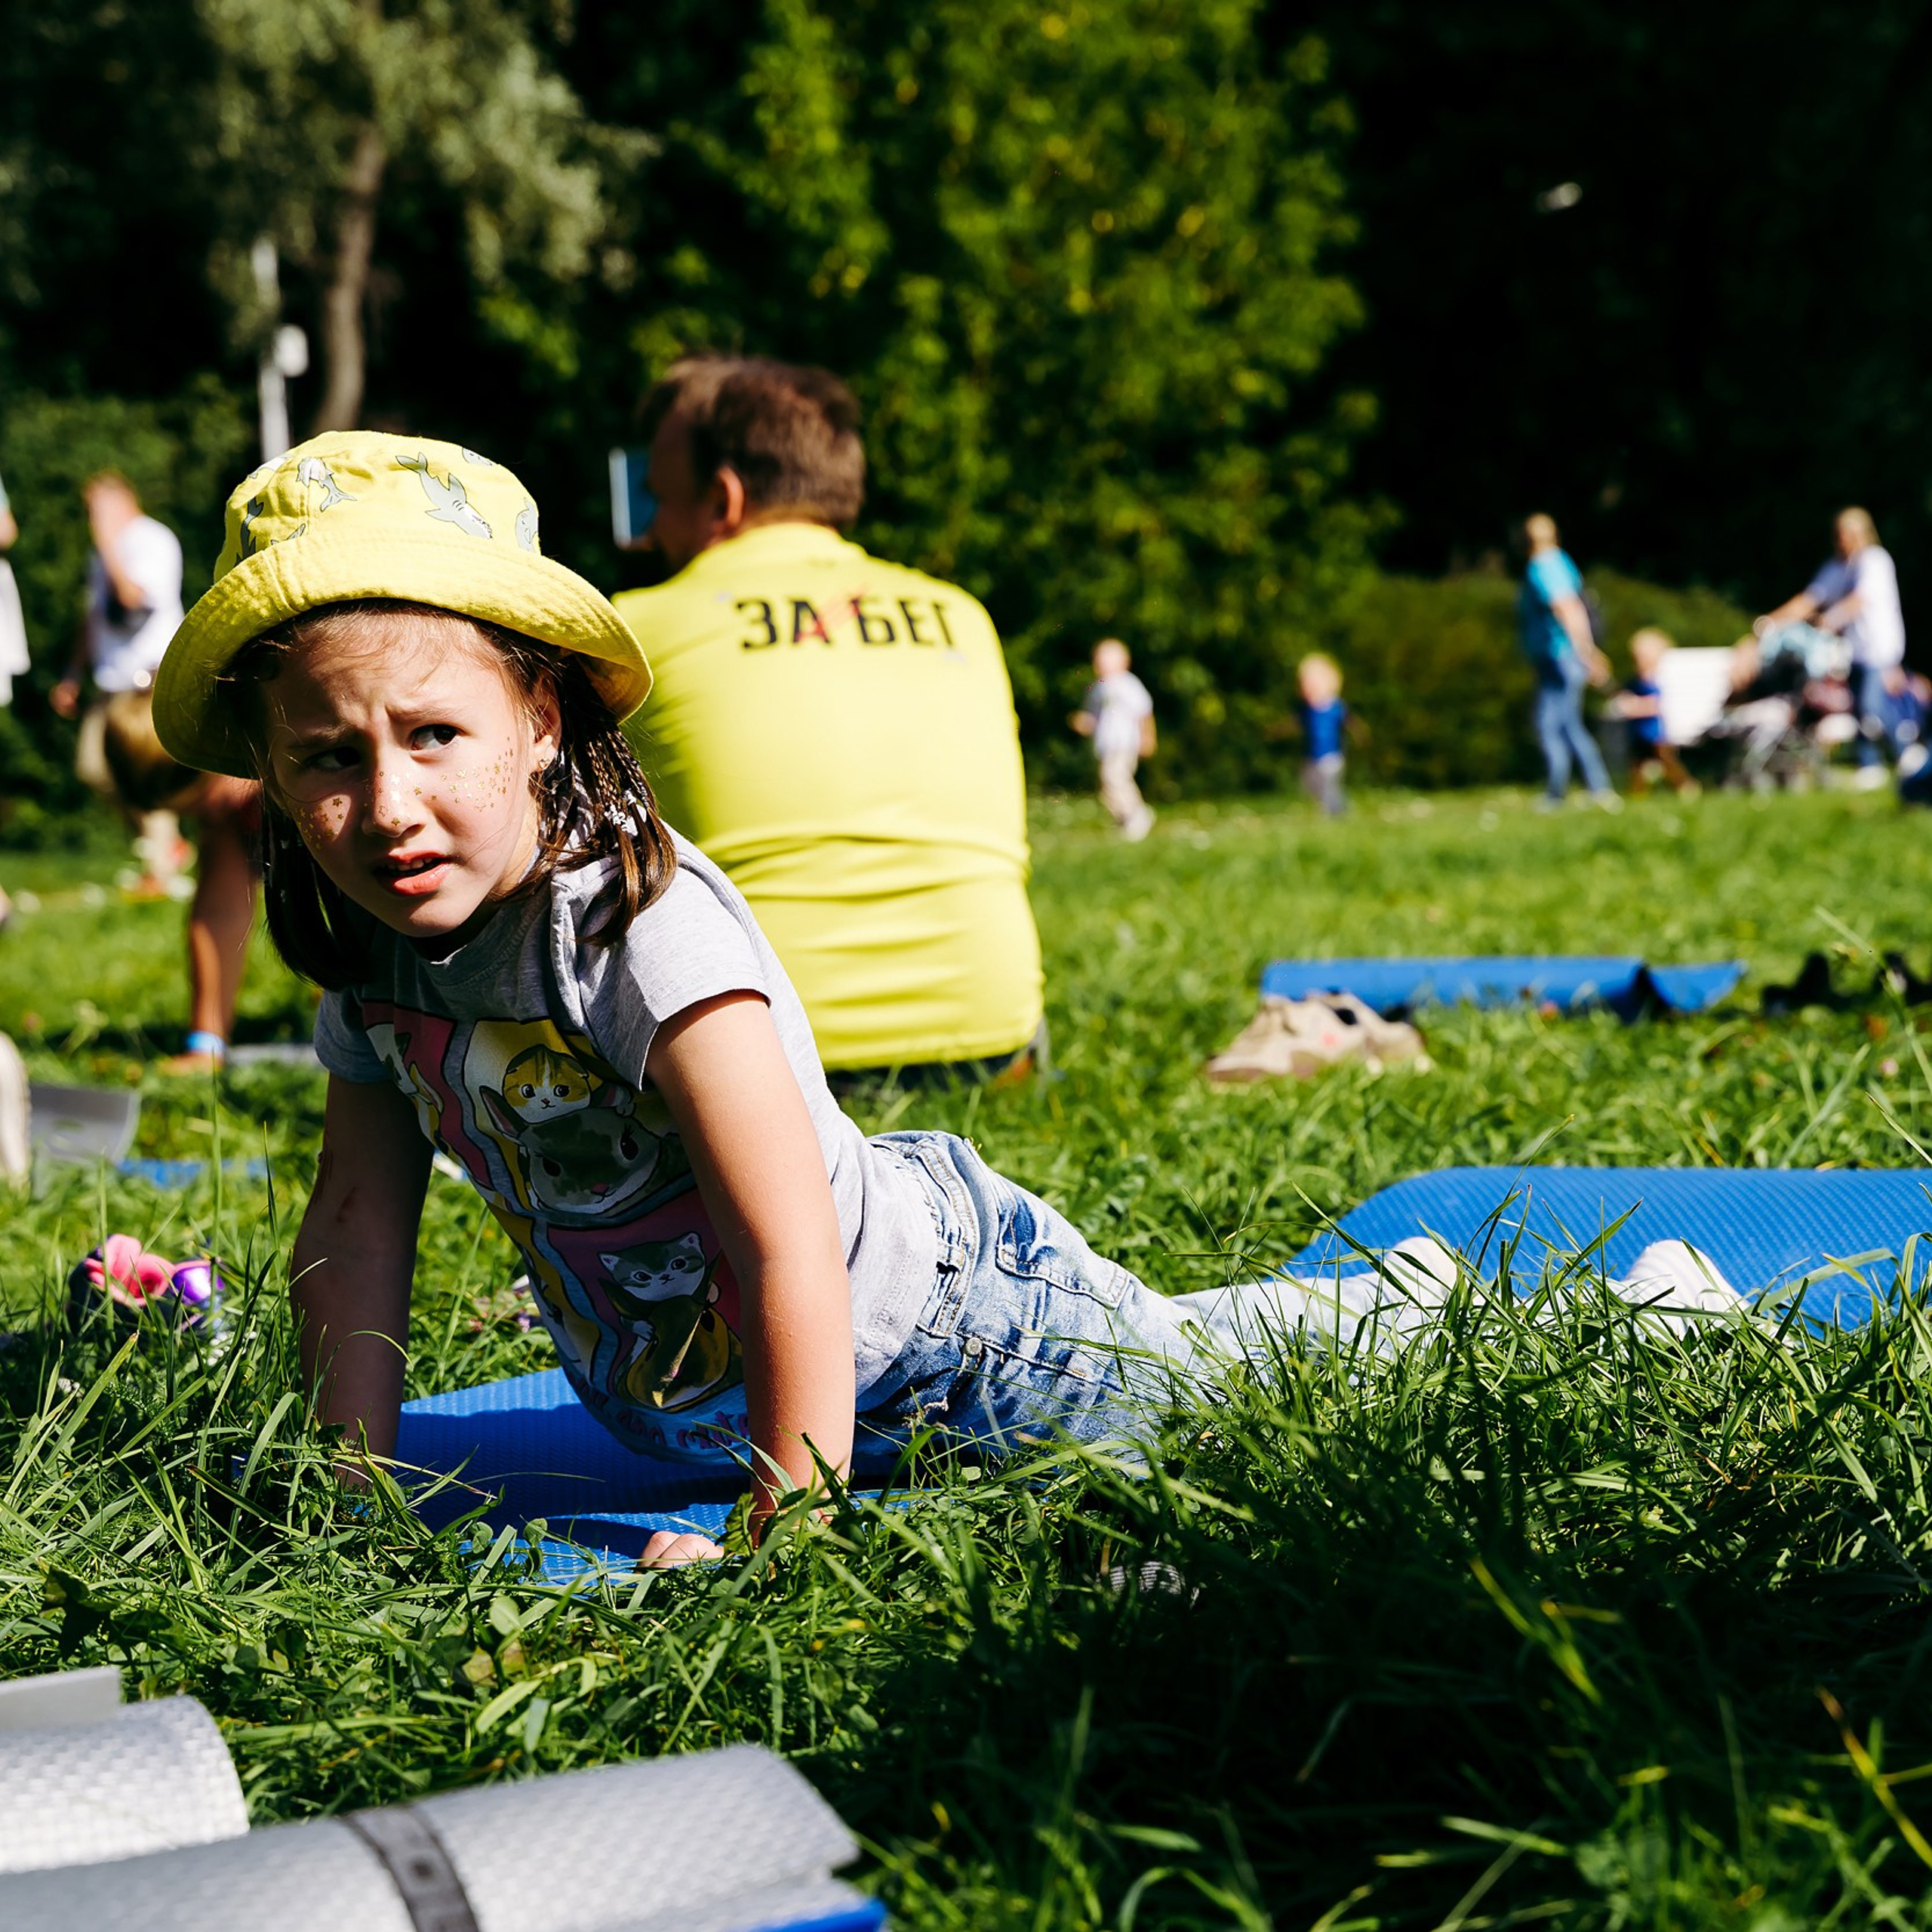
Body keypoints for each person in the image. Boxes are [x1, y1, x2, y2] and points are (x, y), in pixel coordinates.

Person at [152, 431, 1361, 1567]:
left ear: (539, 719)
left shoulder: (635, 928)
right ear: (270, 771)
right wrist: (345, 1497)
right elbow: (357, 1222)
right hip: (744, 1401)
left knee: (1231, 1388)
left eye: (433, 735)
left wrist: (786, 1529)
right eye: (328, 756)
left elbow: (787, 1234)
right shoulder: (377, 958)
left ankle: (1398, 1300)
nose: (389, 807)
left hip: (965, 1341)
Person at [611, 357, 1042, 1081]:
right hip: (991, 1042)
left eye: (659, 497)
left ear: (724, 497)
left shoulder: (635, 630)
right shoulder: (964, 615)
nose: (650, 530)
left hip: (757, 1058)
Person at [98, 691, 262, 1073]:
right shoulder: (227, 815)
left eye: (207, 796)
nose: (211, 813)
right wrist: (206, 1041)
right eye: (193, 811)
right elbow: (221, 916)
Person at [51, 472, 188, 887]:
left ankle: (161, 865)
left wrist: (108, 544)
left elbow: (132, 600)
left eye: (98, 506)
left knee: (142, 771)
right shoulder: (102, 552)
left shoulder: (153, 540)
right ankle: (167, 846)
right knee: (94, 769)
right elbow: (94, 617)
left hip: (148, 678)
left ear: (124, 499)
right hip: (111, 680)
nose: (92, 515)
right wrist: (72, 674)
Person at [1756, 506, 1906, 789]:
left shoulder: (1875, 560)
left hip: (1879, 648)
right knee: (1860, 707)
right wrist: (1770, 623)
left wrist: (1828, 620)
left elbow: (1859, 600)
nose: (1842, 540)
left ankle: (1905, 751)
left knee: (1872, 705)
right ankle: (1871, 764)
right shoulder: (1837, 567)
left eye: (1847, 534)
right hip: (1854, 651)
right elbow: (1809, 600)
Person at [1518, 512, 1617, 810]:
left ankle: (1567, 792)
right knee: (1564, 723)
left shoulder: (1544, 565)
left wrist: (1587, 652)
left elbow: (1567, 608)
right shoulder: (1560, 561)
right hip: (1559, 656)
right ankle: (1588, 789)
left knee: (1555, 725)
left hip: (1560, 656)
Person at [1070, 638, 1156, 839]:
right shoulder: (1099, 688)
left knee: (1115, 777)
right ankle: (1123, 821)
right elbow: (1096, 718)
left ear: (1124, 661)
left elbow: (1144, 712)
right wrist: (1084, 722)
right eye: (1098, 659)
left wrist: (1148, 736)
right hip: (1106, 745)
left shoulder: (1128, 683)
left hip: (1125, 742)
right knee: (1107, 786)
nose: (1100, 664)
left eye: (1106, 659)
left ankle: (1137, 814)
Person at [1611, 628, 1697, 797]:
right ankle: (1637, 794)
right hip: (1638, 733)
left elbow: (1659, 705)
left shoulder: (1660, 680)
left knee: (1668, 763)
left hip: (1657, 733)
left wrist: (1634, 707)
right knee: (1637, 767)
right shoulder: (1634, 682)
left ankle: (1686, 787)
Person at [1296, 652, 1349, 817]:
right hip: (1312, 756)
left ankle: (1330, 814)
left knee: (1328, 786)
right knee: (1309, 782)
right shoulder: (1307, 710)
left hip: (1331, 756)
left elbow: (1349, 721)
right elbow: (1295, 723)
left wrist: (1360, 733)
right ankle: (1337, 807)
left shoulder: (1335, 707)